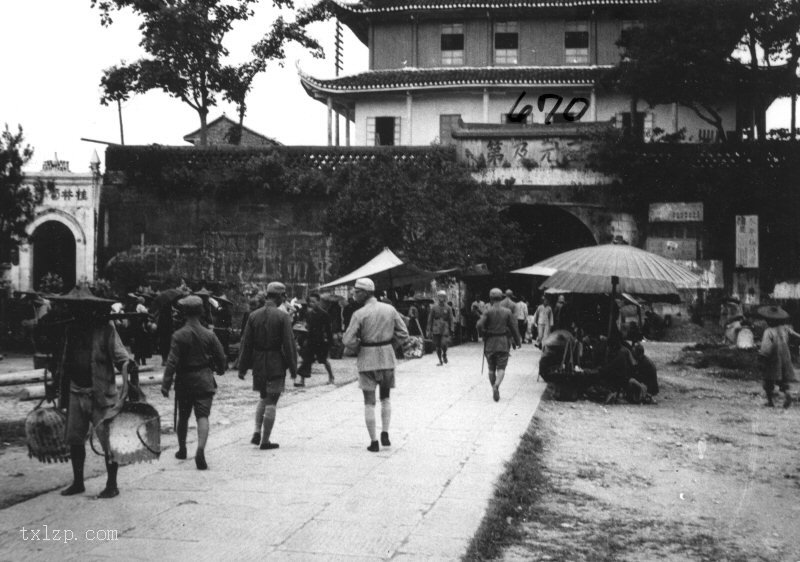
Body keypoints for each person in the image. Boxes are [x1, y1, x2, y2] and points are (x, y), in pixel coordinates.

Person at [53, 286, 135, 499]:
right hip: (75, 391)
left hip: (101, 393)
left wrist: (128, 366)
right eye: (73, 308)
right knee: (74, 439)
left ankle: (112, 484)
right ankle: (78, 482)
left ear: (91, 309)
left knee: (107, 441)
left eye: (81, 308)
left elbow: (121, 357)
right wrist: (57, 383)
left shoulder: (106, 329)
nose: (77, 312)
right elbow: (63, 360)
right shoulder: (70, 330)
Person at [160, 296, 226, 470]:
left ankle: (182, 449)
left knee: (183, 416)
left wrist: (166, 385)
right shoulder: (209, 334)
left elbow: (172, 362)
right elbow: (221, 356)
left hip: (184, 381)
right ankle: (200, 449)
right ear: (201, 312)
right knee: (202, 416)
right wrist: (221, 369)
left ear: (184, 313)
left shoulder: (178, 335)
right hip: (204, 379)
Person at [343, 278, 409, 452]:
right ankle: (385, 433)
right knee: (386, 397)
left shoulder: (359, 314)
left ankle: (373, 441)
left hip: (367, 359)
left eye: (357, 291)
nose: (354, 294)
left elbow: (347, 339)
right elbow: (403, 333)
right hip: (387, 358)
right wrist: (390, 345)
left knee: (369, 402)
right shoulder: (390, 309)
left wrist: (359, 348)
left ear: (365, 293)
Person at [237, 282, 298, 450]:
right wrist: (293, 368)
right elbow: (288, 344)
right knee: (272, 400)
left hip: (258, 362)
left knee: (263, 397)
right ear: (278, 297)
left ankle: (256, 429)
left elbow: (246, 343)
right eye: (284, 296)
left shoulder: (253, 315)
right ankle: (265, 440)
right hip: (275, 361)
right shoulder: (282, 317)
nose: (285, 299)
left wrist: (242, 367)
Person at [476, 287, 521, 402]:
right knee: (501, 367)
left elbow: (479, 325)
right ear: (501, 297)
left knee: (491, 368)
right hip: (502, 342)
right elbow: (514, 327)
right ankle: (496, 385)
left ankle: (493, 387)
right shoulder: (507, 312)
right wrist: (517, 340)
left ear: (490, 298)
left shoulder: (488, 311)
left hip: (490, 343)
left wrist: (483, 334)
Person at [757, 305, 800, 408]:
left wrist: (762, 357)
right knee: (783, 379)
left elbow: (766, 347)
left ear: (768, 320)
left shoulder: (768, 332)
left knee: (768, 380)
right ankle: (787, 394)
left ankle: (770, 401)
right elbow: (795, 334)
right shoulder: (785, 329)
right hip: (785, 356)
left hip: (773, 358)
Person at [296, 292, 335, 386]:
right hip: (310, 340)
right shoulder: (308, 313)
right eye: (310, 302)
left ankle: (331, 376)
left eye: (313, 302)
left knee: (324, 360)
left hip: (320, 341)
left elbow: (328, 330)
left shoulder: (324, 314)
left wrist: (330, 342)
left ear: (318, 302)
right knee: (306, 360)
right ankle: (302, 381)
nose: (311, 304)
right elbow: (306, 327)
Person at [427, 290, 454, 366]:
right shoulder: (434, 307)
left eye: (443, 296)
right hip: (436, 328)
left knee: (444, 344)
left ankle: (444, 354)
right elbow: (430, 319)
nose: (442, 298)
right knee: (437, 346)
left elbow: (451, 318)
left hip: (445, 327)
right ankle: (440, 360)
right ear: (438, 297)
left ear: (445, 298)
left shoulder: (448, 308)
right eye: (440, 296)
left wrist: (452, 328)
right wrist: (429, 329)